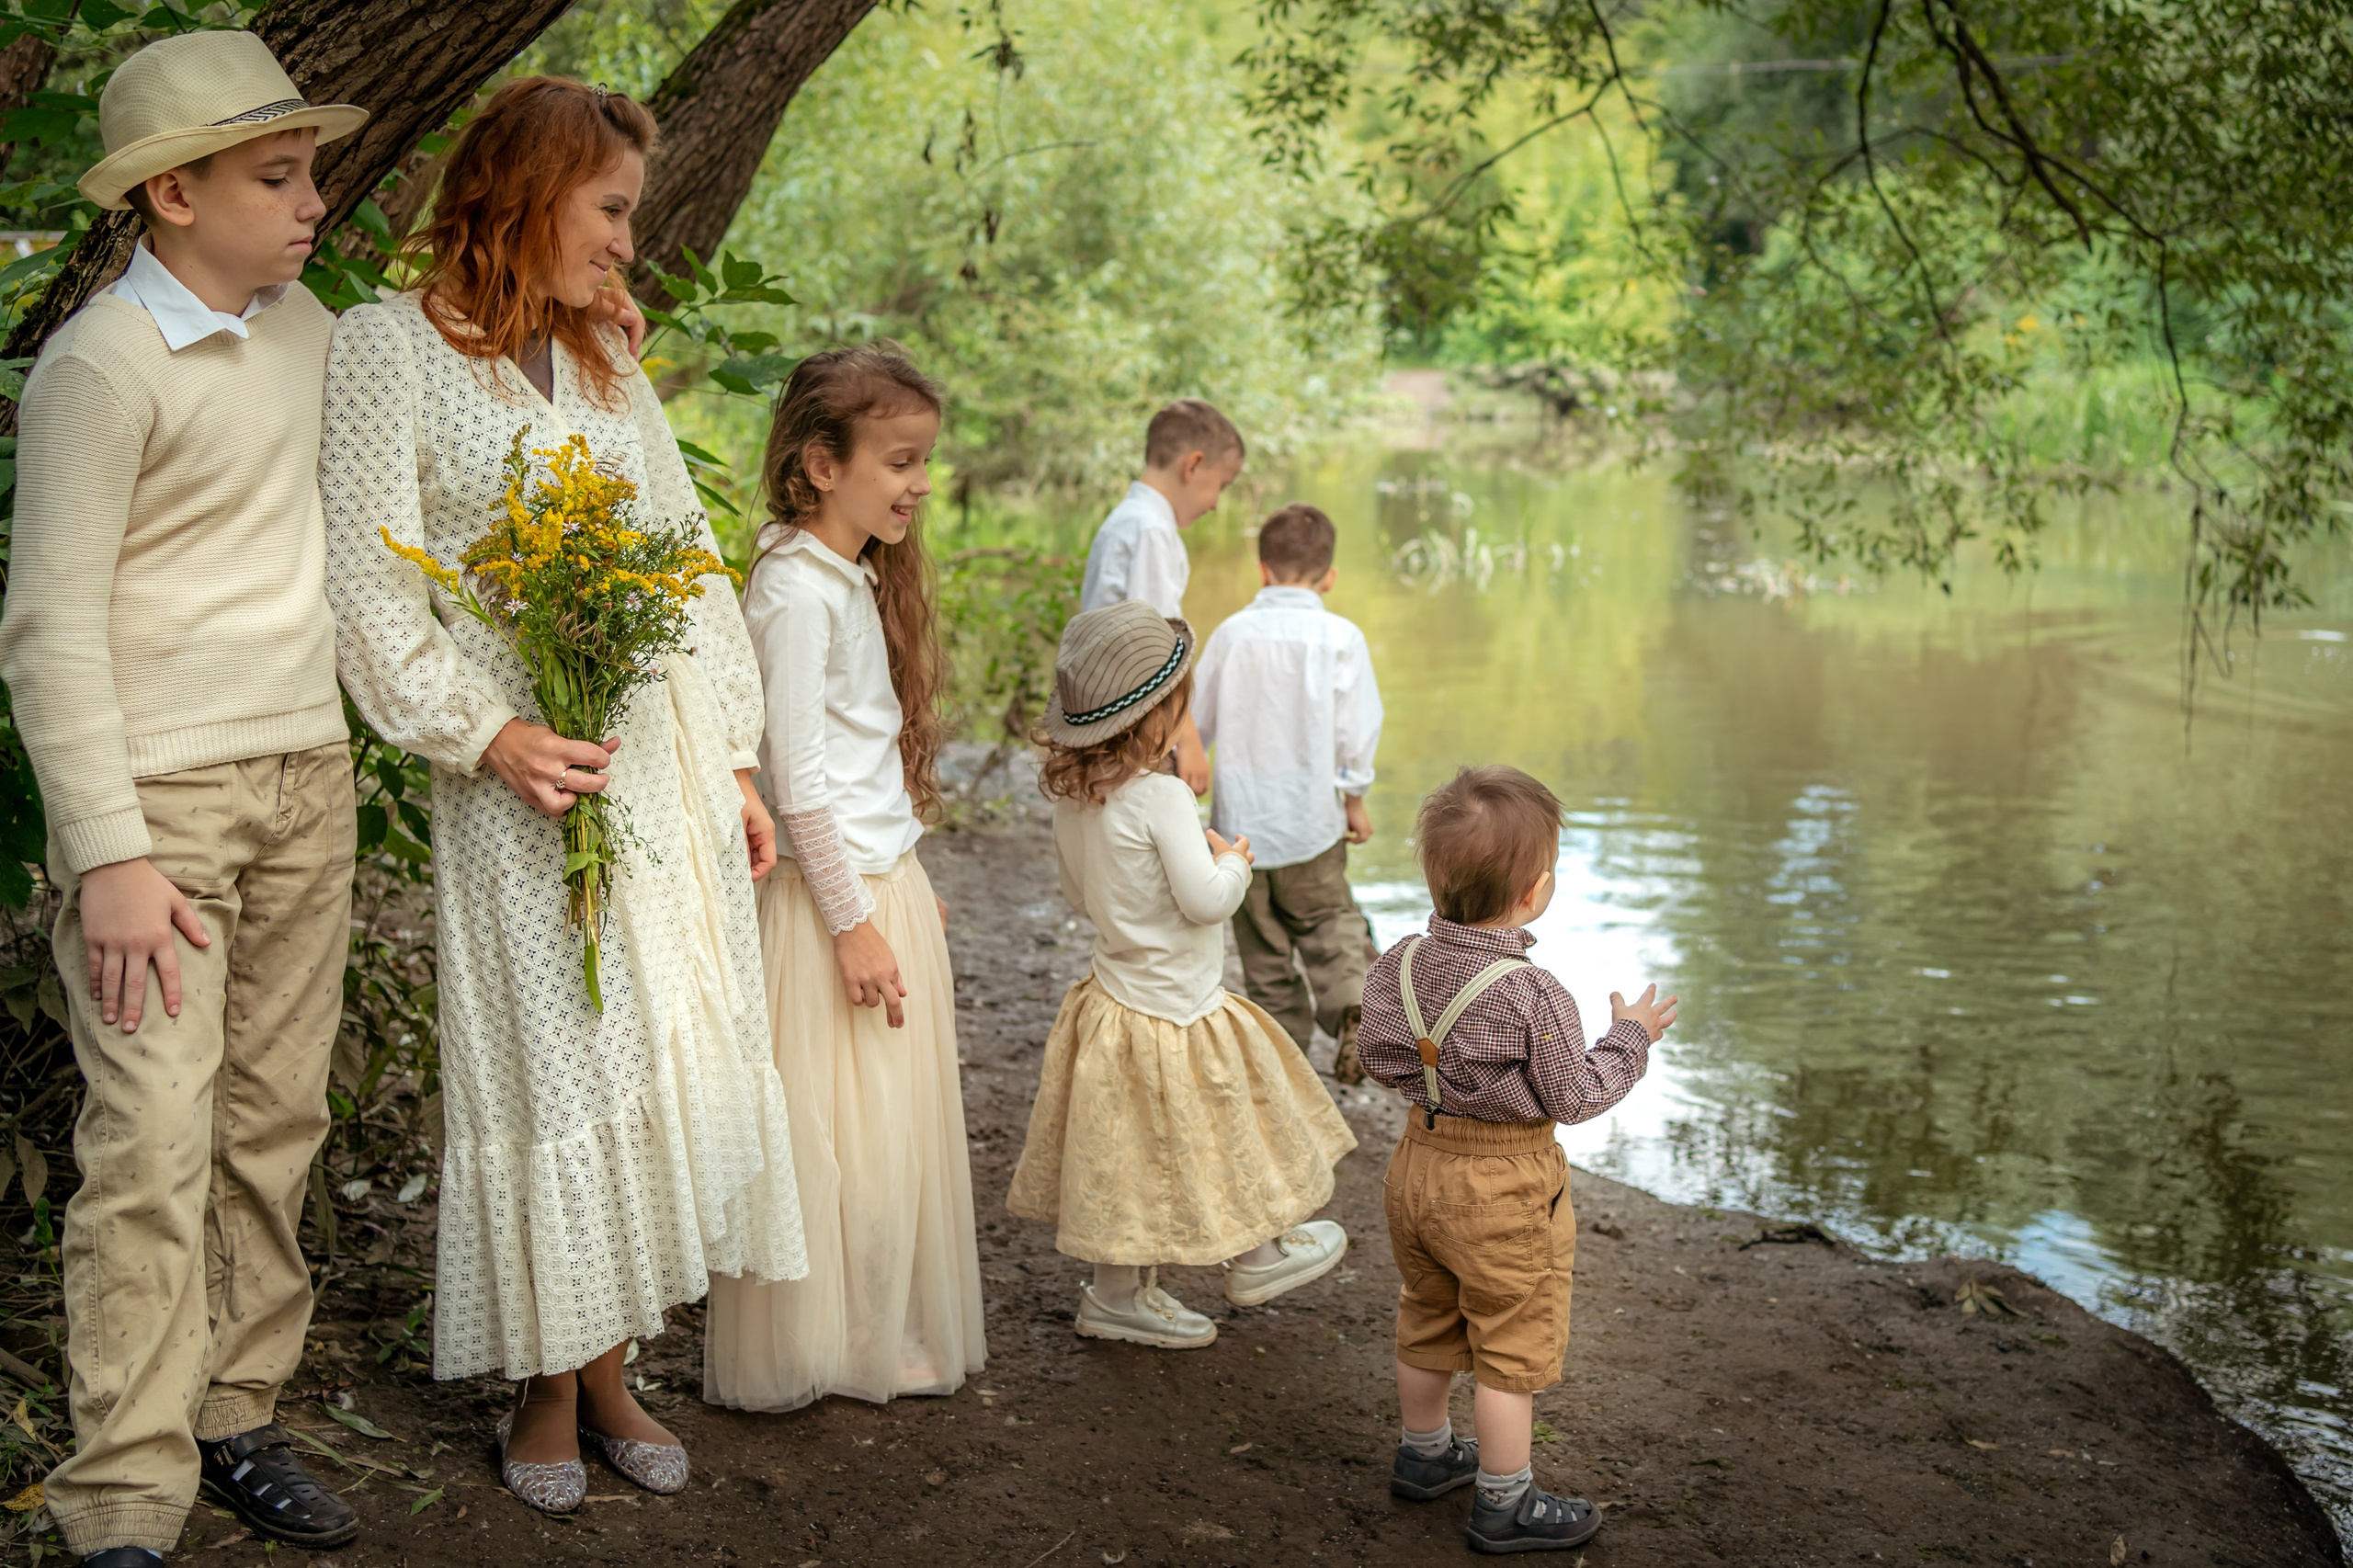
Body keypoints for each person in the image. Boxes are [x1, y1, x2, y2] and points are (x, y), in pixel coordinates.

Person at [319, 78, 805, 1514]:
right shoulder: (380, 348)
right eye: (609, 213)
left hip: (647, 755)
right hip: (517, 769)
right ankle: (542, 1377)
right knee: (550, 1053)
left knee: (646, 1040)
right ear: (524, 194)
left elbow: (685, 556)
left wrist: (728, 752)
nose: (626, 247)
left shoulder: (604, 362)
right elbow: (363, 587)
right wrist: (486, 731)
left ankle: (609, 1363)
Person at [0, 32, 372, 1564]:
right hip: (161, 808)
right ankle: (120, 1500)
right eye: (275, 177)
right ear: (170, 198)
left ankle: (233, 1413)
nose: (311, 205)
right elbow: (44, 629)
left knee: (271, 1119)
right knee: (149, 1137)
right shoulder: (100, 366)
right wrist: (109, 853)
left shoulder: (310, 333)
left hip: (311, 777)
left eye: (310, 173)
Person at [701, 346, 987, 1409]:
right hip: (832, 902)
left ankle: (865, 1326)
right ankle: (824, 1339)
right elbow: (797, 782)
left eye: (925, 461)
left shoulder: (845, 575)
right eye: (900, 460)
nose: (919, 482)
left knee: (886, 1130)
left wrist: (904, 876)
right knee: (837, 1138)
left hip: (875, 879)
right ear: (822, 465)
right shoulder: (793, 594)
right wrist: (854, 918)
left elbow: (859, 764)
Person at [1006, 602, 1359, 1348]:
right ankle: (1259, 1254)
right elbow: (1204, 905)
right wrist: (1231, 860)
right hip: (1178, 1010)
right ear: (1160, 712)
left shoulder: (1076, 797)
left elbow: (1079, 894)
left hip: (1113, 1004)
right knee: (1224, 1122)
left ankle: (1114, 1296)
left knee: (1121, 1157)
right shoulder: (1163, 794)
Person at [1355, 766, 1676, 1555]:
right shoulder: (1534, 993)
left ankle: (1425, 1456)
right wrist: (1630, 1038)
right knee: (1509, 1342)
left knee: (1427, 1314)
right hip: (1502, 1185)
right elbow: (1574, 1094)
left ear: (1434, 874)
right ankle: (1506, 1502)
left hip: (1417, 1166)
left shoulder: (1396, 961)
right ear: (1534, 892)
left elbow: (1374, 1055)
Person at [1193, 502, 1383, 1083]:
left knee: (1264, 951)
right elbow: (1357, 727)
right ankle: (1352, 1005)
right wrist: (1354, 796)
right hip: (1311, 824)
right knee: (1330, 921)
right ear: (1329, 577)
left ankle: (1284, 1064)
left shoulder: (1230, 635)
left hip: (1239, 833)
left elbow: (1195, 727)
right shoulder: (1340, 637)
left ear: (1262, 570)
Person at [1076, 398, 1245, 793]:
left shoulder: (1128, 519)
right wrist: (1188, 742)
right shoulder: (1152, 531)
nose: (1217, 503)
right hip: (1135, 727)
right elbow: (1159, 648)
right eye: (1221, 485)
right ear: (1192, 465)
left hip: (1107, 713)